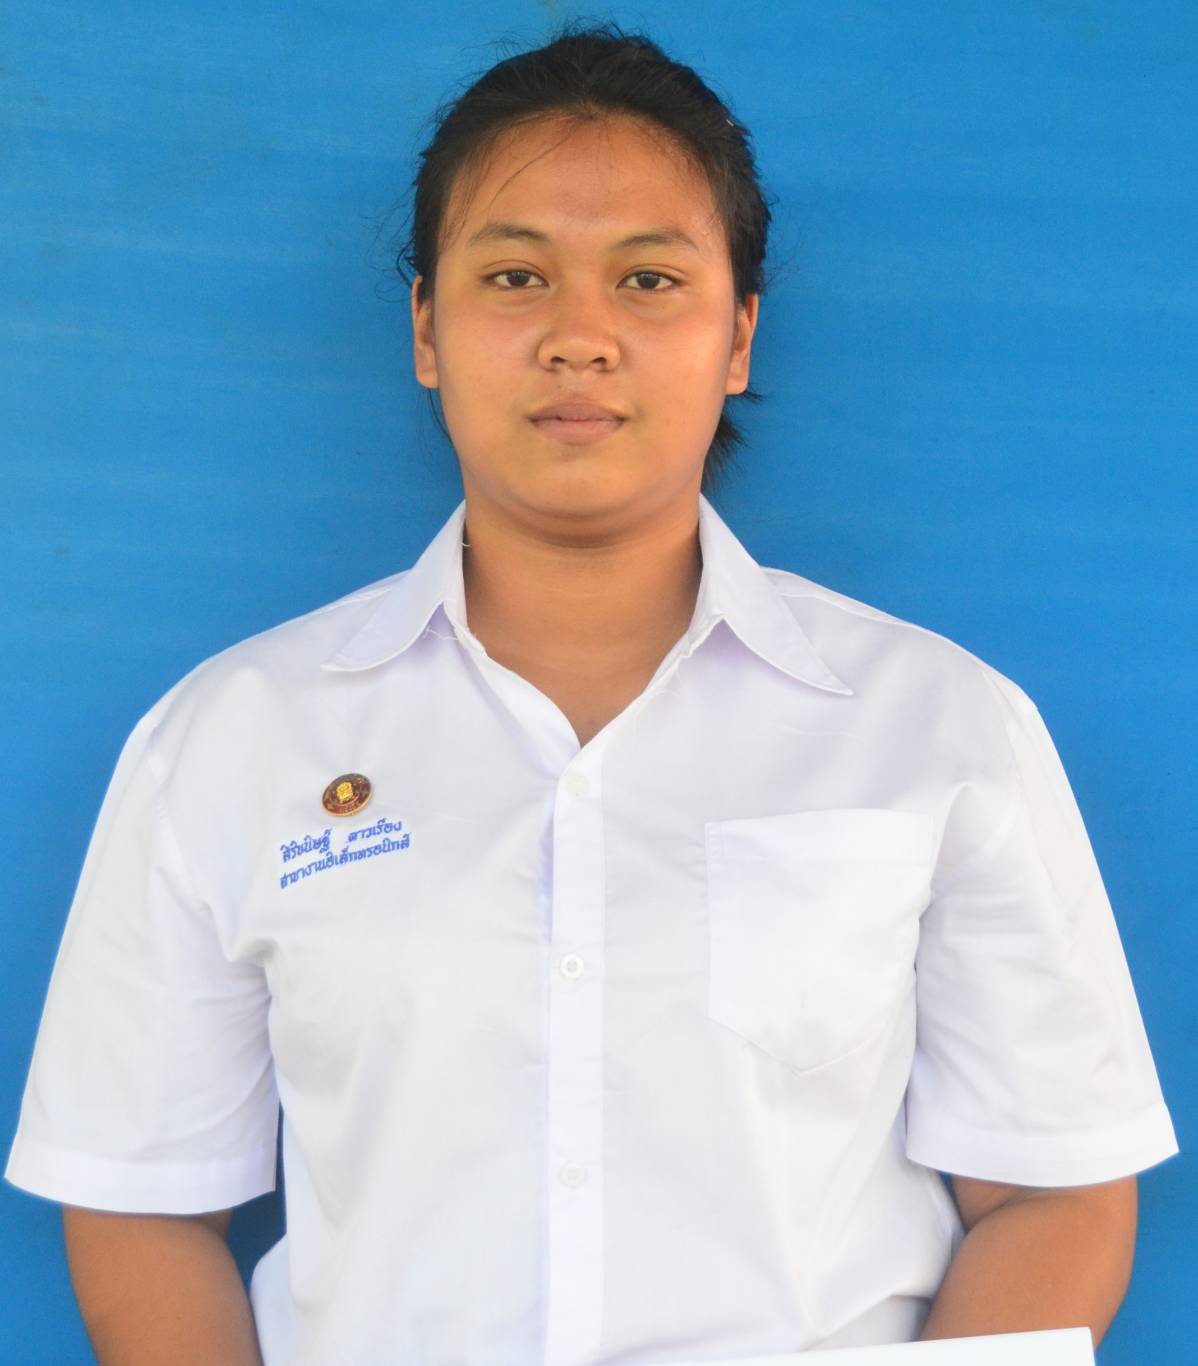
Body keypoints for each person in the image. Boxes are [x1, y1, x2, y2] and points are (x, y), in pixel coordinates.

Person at [4, 19, 1179, 1366]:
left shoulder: (937, 726)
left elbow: (1055, 1186)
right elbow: (139, 1200)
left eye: (648, 280)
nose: (580, 337)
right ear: (427, 329)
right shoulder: (233, 739)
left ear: (737, 335)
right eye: (514, 276)